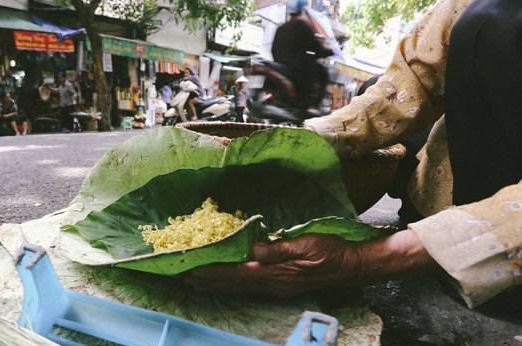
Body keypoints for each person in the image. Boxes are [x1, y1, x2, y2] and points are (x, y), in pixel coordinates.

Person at [188, 0, 522, 309]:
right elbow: (412, 81)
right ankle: (424, 210)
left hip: (502, 216)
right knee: (372, 85)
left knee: (496, 21)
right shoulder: (296, 32)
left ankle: (472, 251)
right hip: (445, 178)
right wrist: (305, 140)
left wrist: (358, 261)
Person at [270, 0, 332, 108]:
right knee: (317, 70)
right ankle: (309, 106)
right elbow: (315, 45)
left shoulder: (281, 27)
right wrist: (329, 50)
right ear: (303, 9)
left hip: (282, 65)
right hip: (296, 67)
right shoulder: (302, 23)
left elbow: (273, 49)